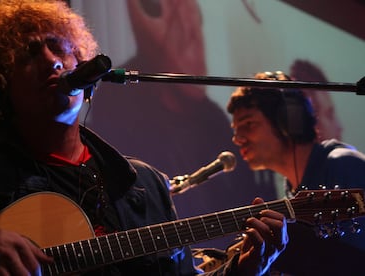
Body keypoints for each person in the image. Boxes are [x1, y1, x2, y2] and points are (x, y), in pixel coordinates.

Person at [0, 1, 288, 275]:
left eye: (59, 48)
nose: (52, 62)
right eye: (29, 53)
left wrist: (244, 270)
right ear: (1, 82)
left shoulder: (143, 184)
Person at [86, 0, 278, 252]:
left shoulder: (214, 120)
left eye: (196, 21)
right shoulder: (117, 101)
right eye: (158, 12)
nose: (190, 35)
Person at [227, 71, 365, 275]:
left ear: (289, 122)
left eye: (248, 124)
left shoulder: (343, 164)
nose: (238, 139)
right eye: (236, 130)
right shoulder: (291, 195)